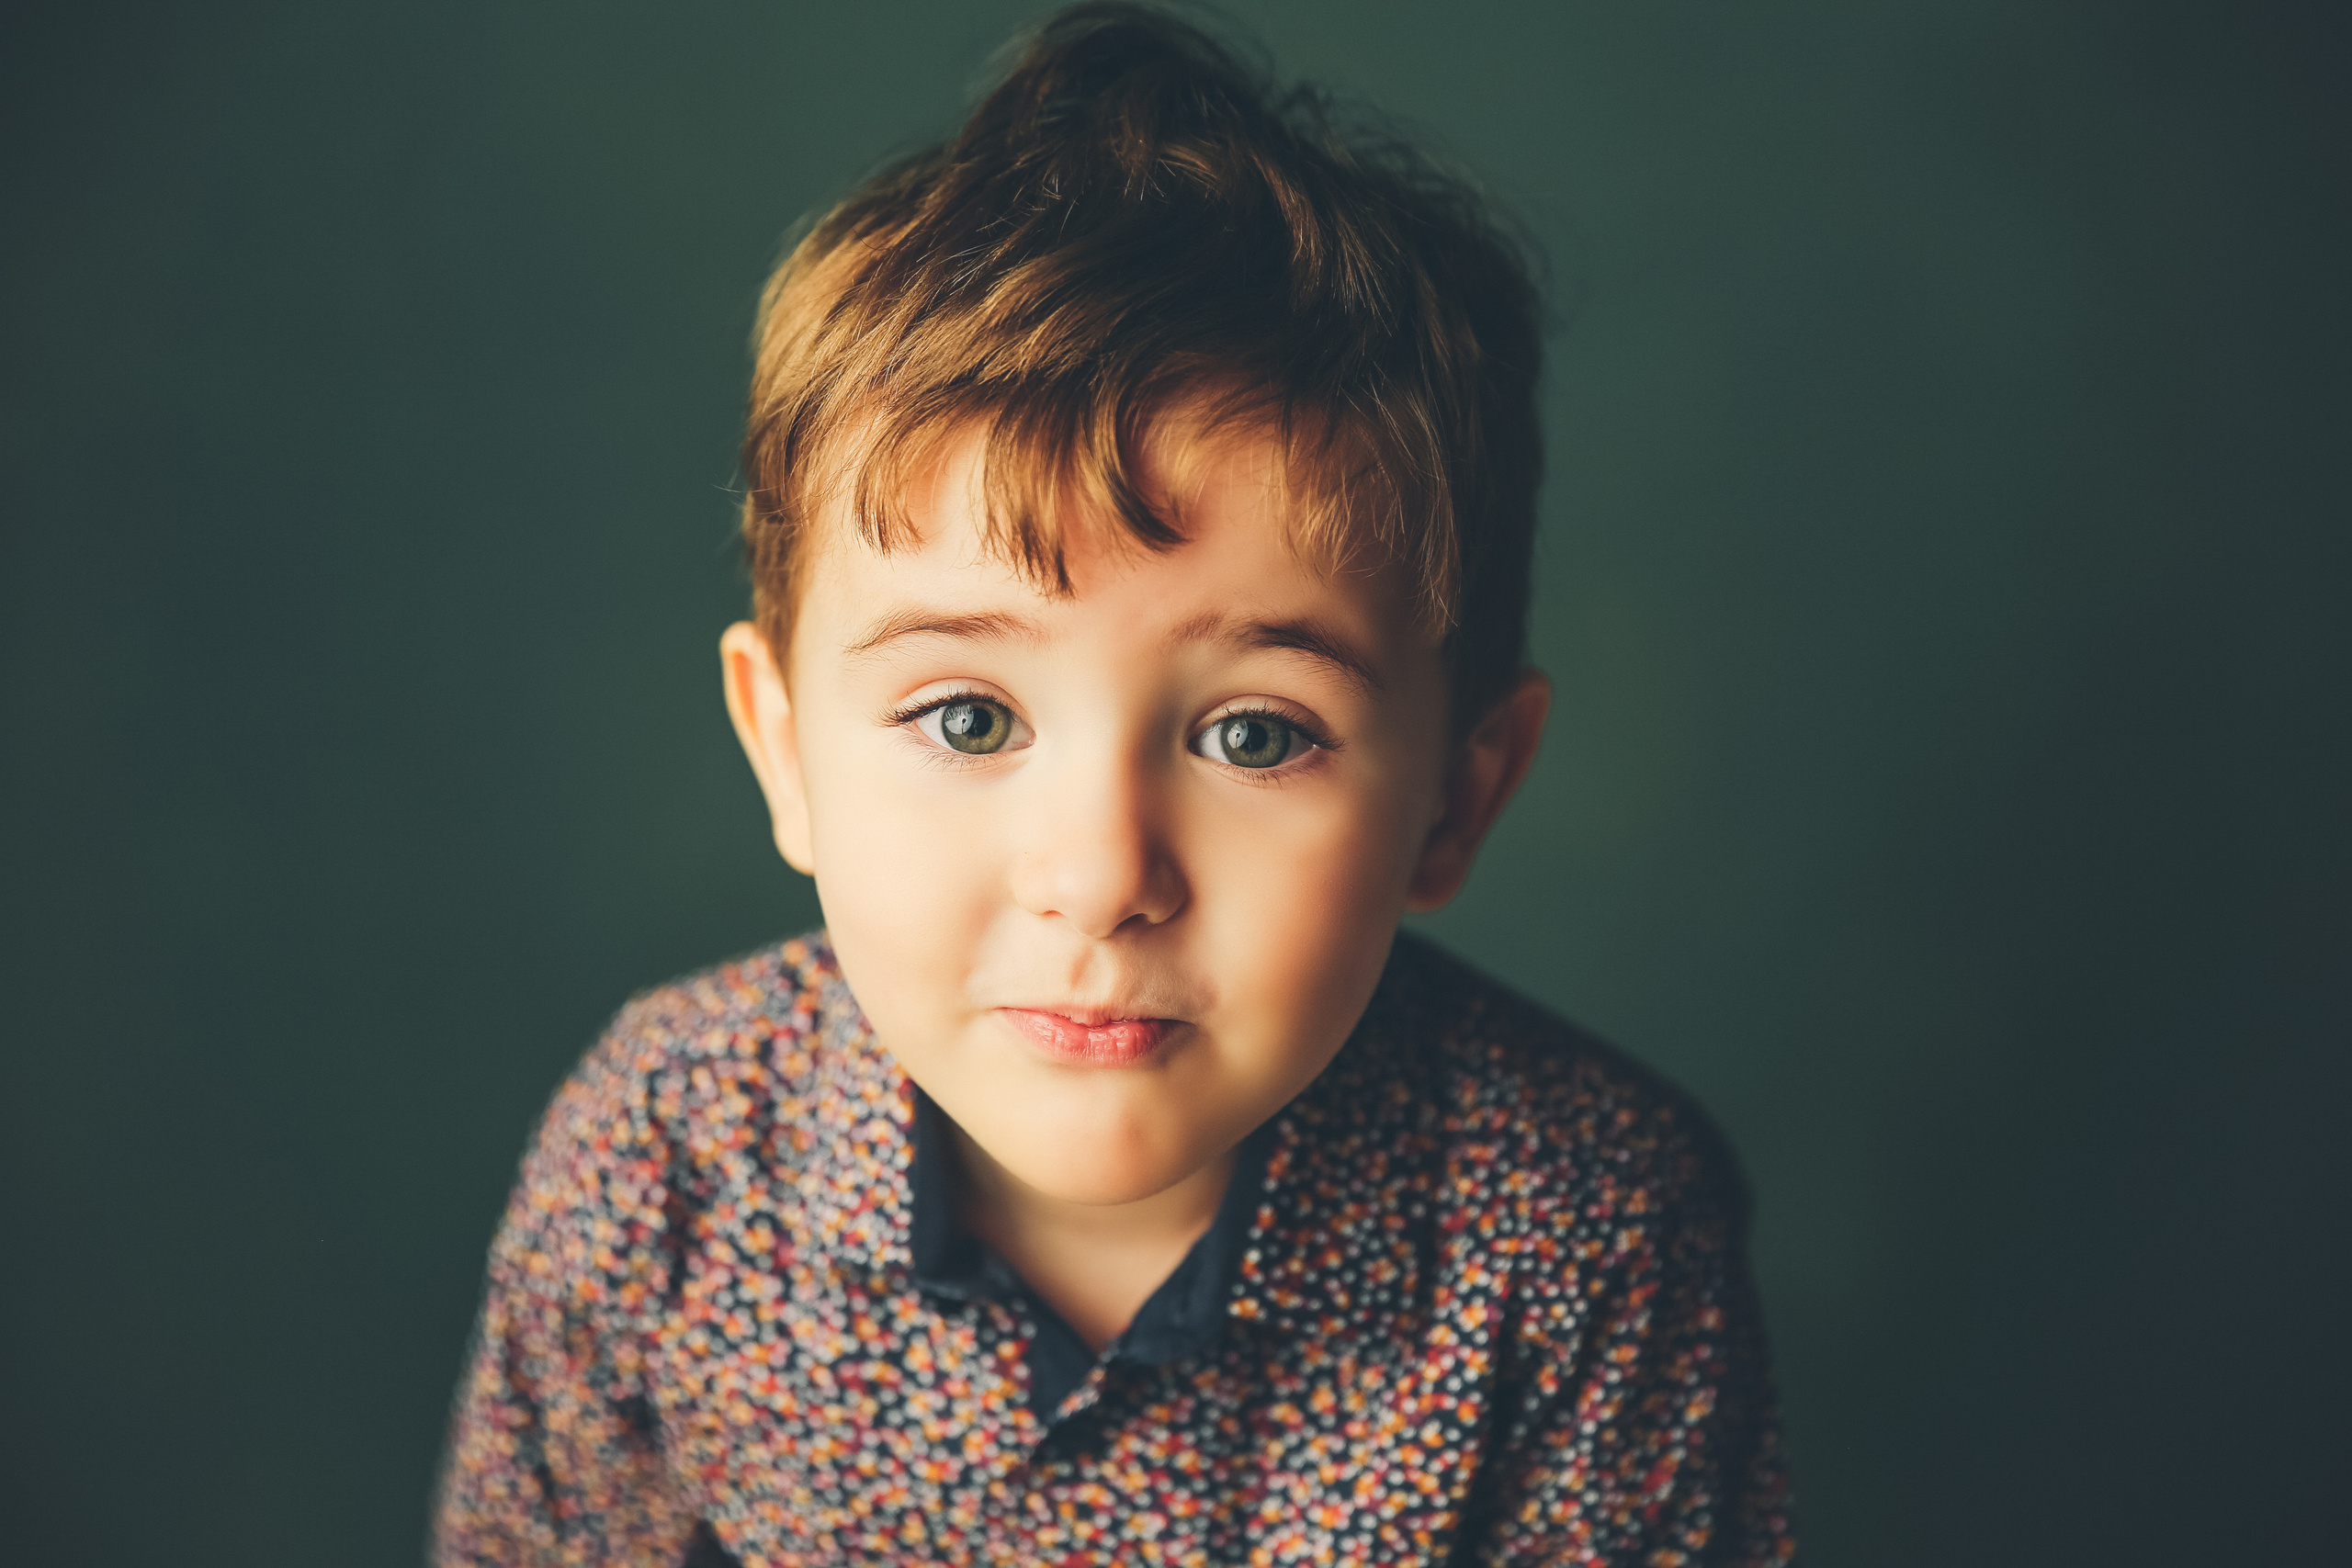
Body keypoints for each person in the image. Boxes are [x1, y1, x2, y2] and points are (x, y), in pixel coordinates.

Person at [434, 5, 1795, 1562]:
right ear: (785, 749)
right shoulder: (664, 1160)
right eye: (965, 719)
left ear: (1455, 800)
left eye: (1256, 735)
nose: (1097, 875)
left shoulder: (1580, 1236)